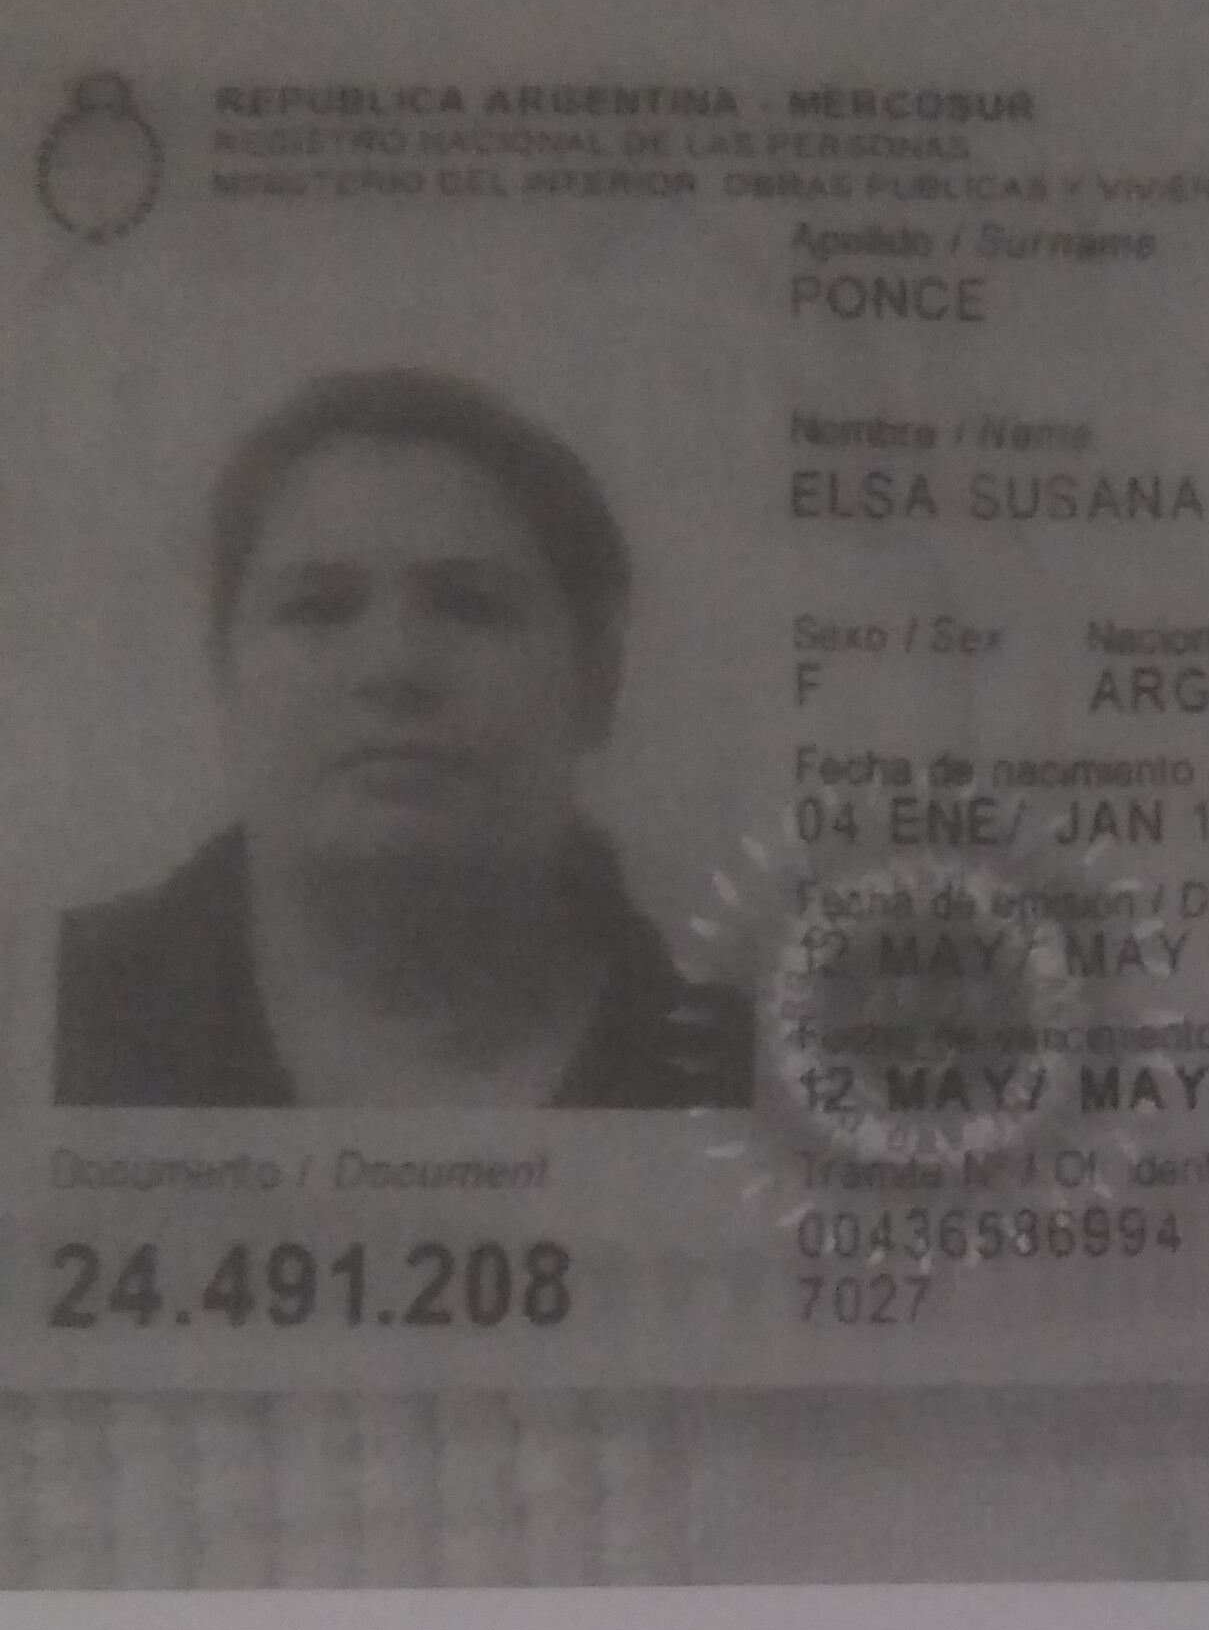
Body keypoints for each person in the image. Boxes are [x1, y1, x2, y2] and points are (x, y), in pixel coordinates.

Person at [53, 370, 753, 1108]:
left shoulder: (749, 1071)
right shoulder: (51, 1010)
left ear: (599, 679)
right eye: (318, 609)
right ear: (223, 672)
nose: (393, 669)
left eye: (470, 606)